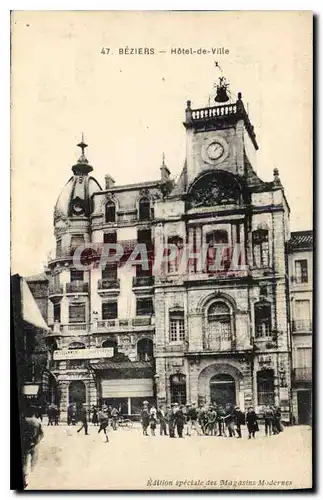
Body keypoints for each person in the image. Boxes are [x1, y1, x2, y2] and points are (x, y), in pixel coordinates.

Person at [21, 404, 44, 489]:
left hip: (25, 444)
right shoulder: (37, 422)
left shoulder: (23, 420)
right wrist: (36, 441)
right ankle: (32, 477)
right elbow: (42, 434)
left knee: (24, 462)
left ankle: (25, 478)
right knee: (33, 461)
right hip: (34, 444)